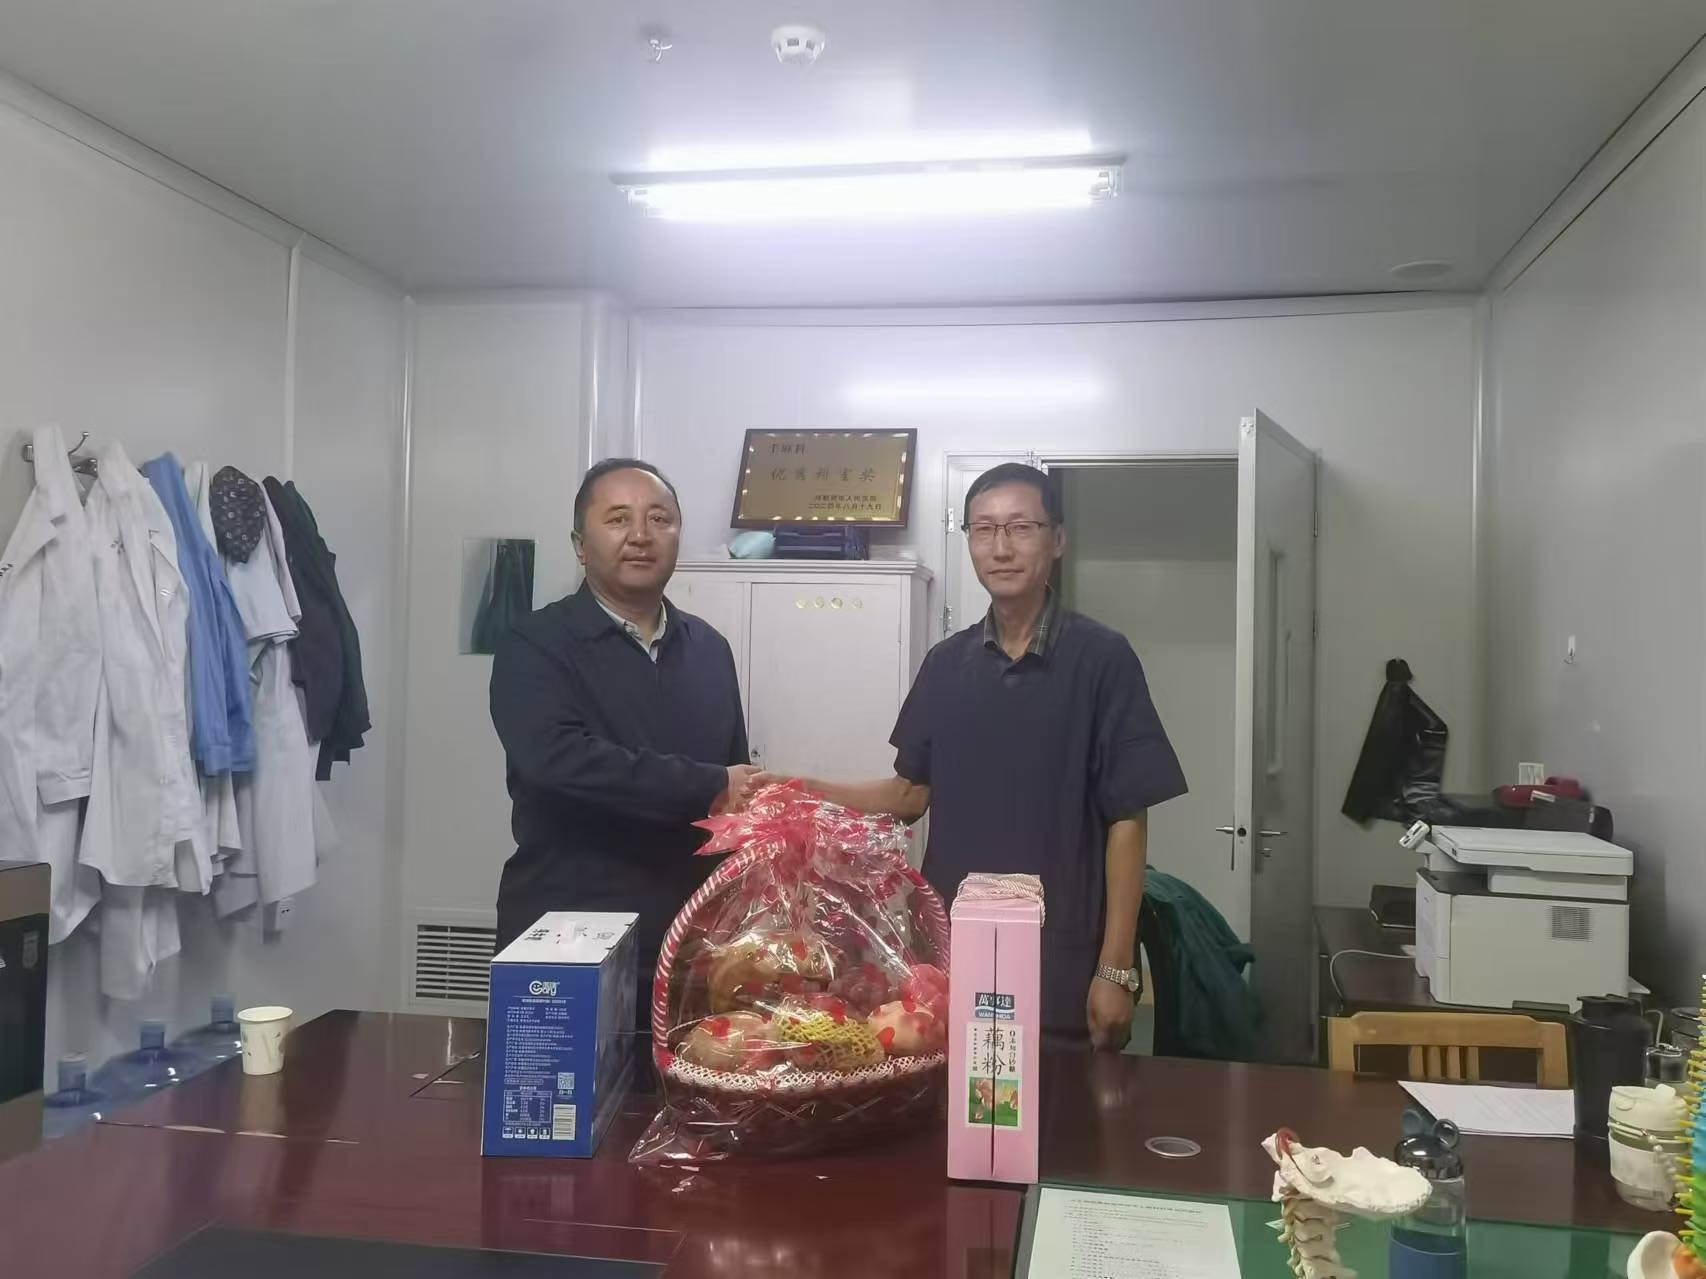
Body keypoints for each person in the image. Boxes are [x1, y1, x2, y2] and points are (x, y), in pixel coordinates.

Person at [758, 463, 1186, 1050]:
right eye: (984, 529)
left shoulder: (1102, 660)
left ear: (1058, 539)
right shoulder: (946, 664)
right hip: (953, 954)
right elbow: (909, 795)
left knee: (1065, 1104)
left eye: (1021, 527)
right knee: (953, 1096)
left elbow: (1128, 819)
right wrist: (800, 787)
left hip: (1063, 959)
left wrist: (1115, 969)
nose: (1001, 547)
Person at [489, 458, 758, 1027]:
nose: (641, 535)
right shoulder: (535, 644)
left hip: (688, 943)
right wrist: (709, 784)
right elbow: (556, 761)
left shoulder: (709, 649)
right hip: (569, 936)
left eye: (660, 519)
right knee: (561, 1084)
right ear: (580, 546)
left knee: (685, 1081)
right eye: (617, 519)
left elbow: (734, 791)